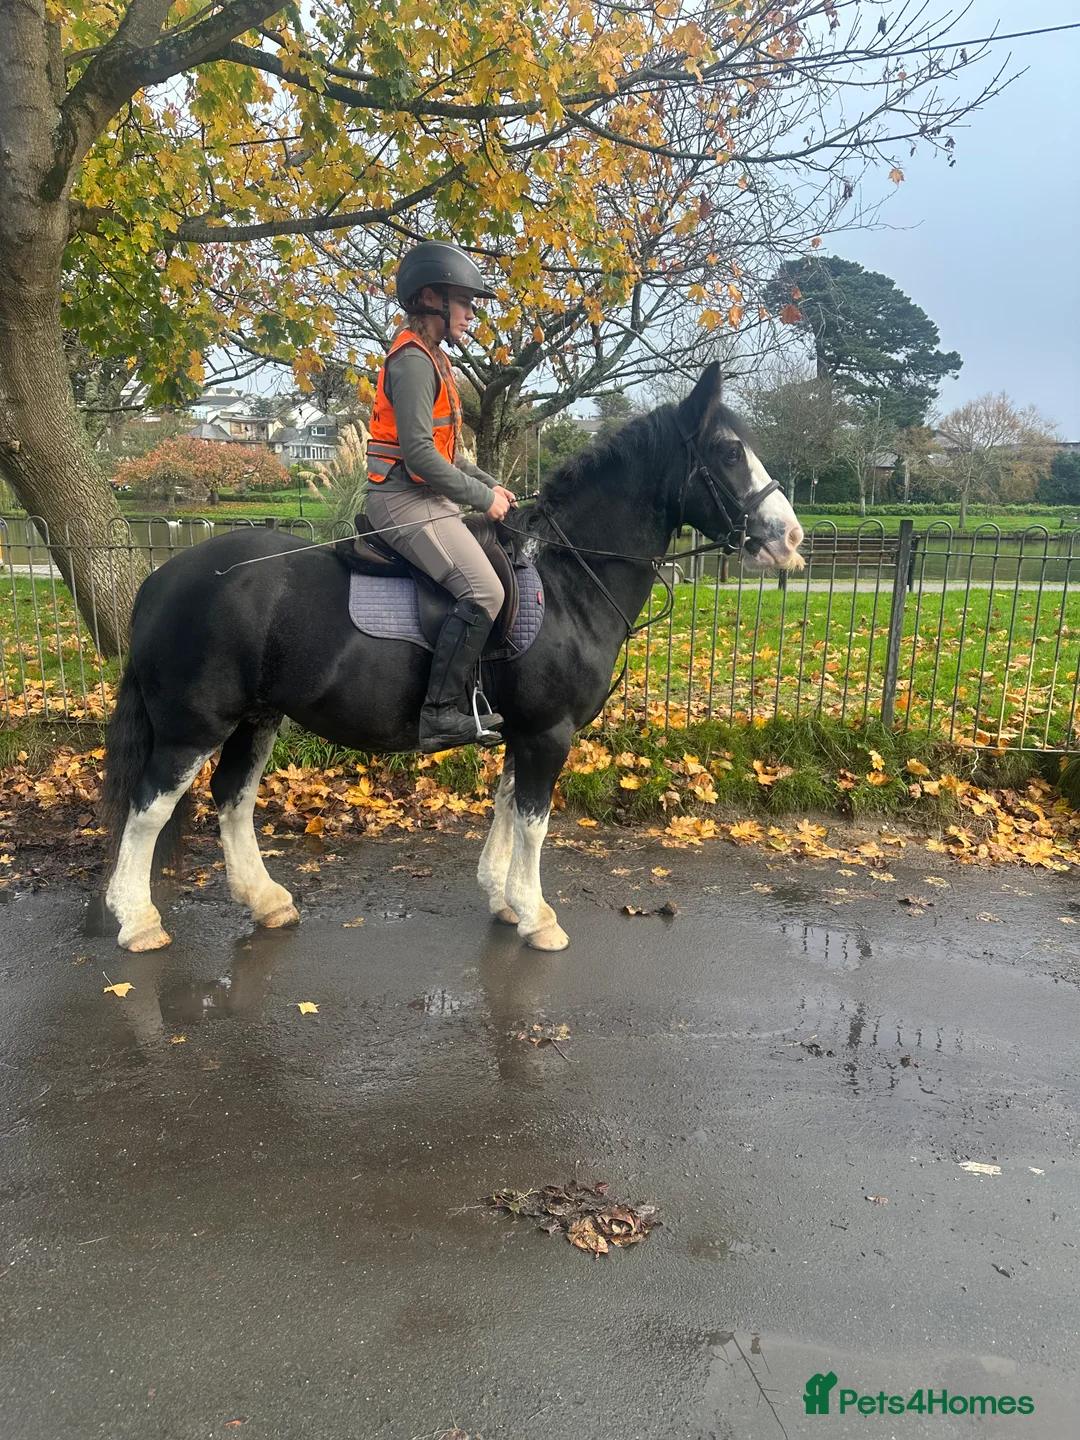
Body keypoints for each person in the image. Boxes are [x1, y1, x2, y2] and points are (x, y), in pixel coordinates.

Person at [365, 240, 518, 753]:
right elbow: (419, 457)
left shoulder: (435, 359)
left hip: (426, 497)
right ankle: (440, 714)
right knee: (486, 592)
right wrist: (479, 498)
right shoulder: (412, 362)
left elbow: (446, 453)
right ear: (431, 298)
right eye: (465, 302)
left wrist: (488, 484)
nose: (472, 314)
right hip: (401, 500)